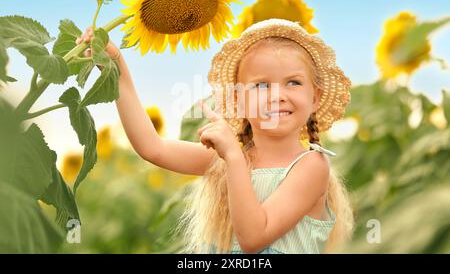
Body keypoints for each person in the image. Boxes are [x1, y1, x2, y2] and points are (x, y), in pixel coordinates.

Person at [76, 18, 354, 254]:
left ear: (314, 97)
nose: (277, 96)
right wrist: (116, 68)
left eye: (293, 82)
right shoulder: (229, 158)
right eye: (261, 85)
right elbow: (152, 147)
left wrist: (232, 155)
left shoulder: (311, 167)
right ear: (238, 100)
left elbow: (254, 239)